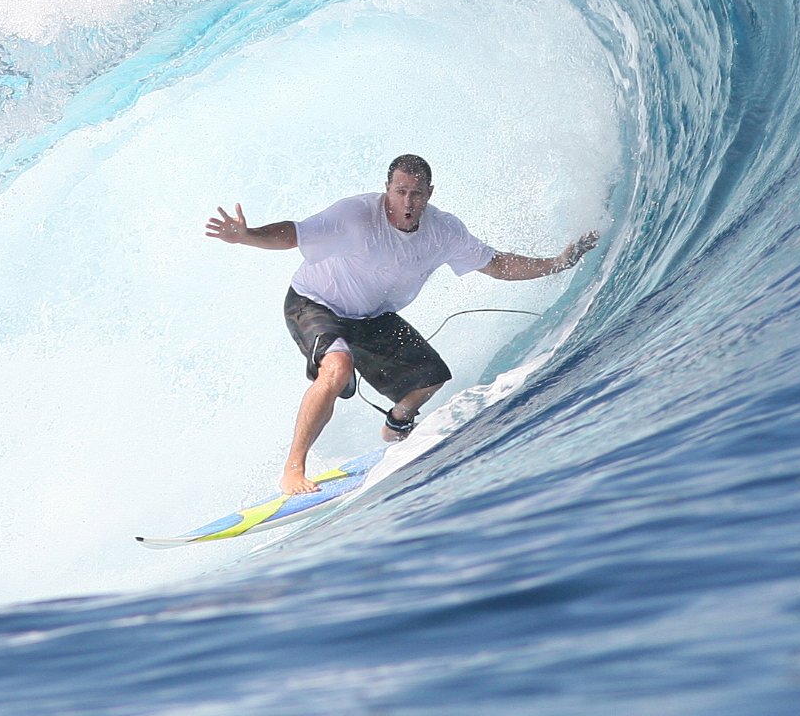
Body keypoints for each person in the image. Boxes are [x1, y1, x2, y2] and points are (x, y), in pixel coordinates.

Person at [206, 153, 598, 495]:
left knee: (431, 376)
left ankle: (396, 426)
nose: (407, 201)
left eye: (416, 193)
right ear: (387, 189)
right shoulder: (355, 215)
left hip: (370, 317)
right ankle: (293, 470)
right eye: (400, 191)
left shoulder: (444, 231)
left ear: (429, 194)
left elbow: (494, 264)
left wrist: (555, 263)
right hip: (314, 303)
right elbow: (294, 234)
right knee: (337, 368)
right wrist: (246, 236)